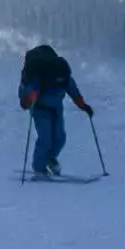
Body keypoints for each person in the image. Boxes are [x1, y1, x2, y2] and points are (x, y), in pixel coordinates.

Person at [18, 44, 93, 179]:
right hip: (41, 110)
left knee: (60, 138)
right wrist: (29, 100)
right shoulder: (41, 77)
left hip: (57, 109)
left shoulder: (64, 76)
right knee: (45, 139)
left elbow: (74, 92)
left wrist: (84, 106)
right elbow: (27, 96)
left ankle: (49, 159)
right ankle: (38, 169)